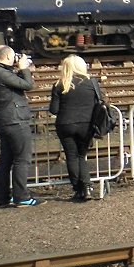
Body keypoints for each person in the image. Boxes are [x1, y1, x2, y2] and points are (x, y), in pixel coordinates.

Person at [48, 55, 103, 202]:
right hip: (86, 125)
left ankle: (78, 189)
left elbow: (53, 110)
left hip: (65, 125)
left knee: (71, 156)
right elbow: (99, 102)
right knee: (81, 156)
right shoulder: (92, 82)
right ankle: (87, 187)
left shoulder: (59, 84)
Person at [0, 45, 39, 207]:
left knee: (5, 159)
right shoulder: (0, 73)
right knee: (22, 159)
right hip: (15, 120)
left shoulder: (0, 71)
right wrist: (23, 69)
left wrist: (20, 69)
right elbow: (27, 85)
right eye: (14, 56)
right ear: (7, 57)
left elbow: (17, 84)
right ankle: (22, 197)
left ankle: (2, 197)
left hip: (3, 121)